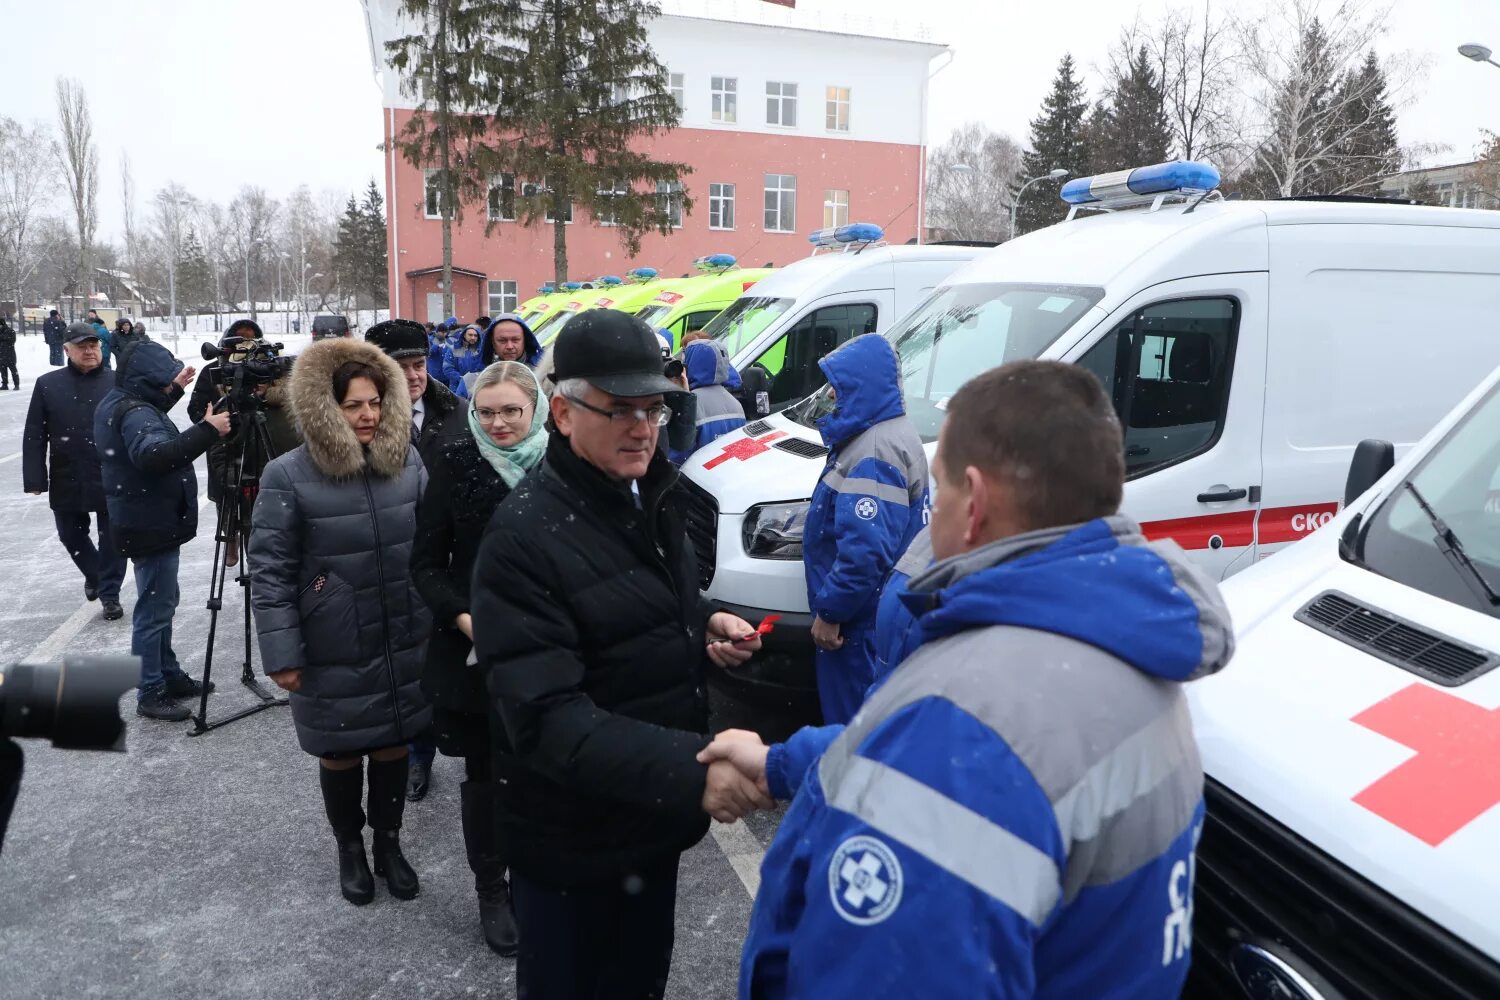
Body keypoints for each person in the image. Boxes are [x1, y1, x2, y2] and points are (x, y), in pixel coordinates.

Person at [710, 361, 1233, 998]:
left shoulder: (973, 715)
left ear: (974, 503)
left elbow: (952, 764)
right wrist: (780, 764)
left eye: (937, 490)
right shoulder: (1122, 649)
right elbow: (949, 764)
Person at [470, 309, 769, 1000]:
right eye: (621, 409)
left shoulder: (653, 490)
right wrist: (693, 773)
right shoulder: (522, 539)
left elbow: (630, 600)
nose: (642, 425)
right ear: (566, 413)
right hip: (571, 843)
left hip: (645, 824)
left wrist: (701, 625)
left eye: (654, 407)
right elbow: (543, 720)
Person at [248, 337, 431, 906]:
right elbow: (271, 570)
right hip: (333, 638)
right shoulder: (287, 474)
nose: (368, 414)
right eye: (353, 405)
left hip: (404, 630)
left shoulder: (408, 460)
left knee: (395, 744)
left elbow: (434, 545)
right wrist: (281, 651)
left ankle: (390, 845)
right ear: (326, 408)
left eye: (376, 401)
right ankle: (350, 849)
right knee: (343, 750)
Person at [411, 360, 548, 955]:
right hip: (477, 652)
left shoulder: (562, 462)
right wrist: (467, 619)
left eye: (511, 411)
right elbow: (424, 564)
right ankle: (492, 887)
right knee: (488, 775)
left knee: (550, 767)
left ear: (536, 409)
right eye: (486, 412)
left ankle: (541, 879)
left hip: (552, 648)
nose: (498, 423)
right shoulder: (457, 460)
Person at [94, 339, 231, 721]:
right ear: (148, 381)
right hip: (149, 523)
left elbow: (145, 420)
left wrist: (174, 390)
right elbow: (153, 453)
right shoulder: (136, 412)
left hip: (143, 519)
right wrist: (208, 430)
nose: (169, 385)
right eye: (165, 381)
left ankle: (166, 674)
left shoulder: (121, 400)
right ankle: (150, 689)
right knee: (155, 610)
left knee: (161, 602)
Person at [802, 334, 929, 724]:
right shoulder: (885, 434)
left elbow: (866, 552)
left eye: (838, 389)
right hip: (873, 615)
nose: (830, 398)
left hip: (859, 626)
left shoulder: (874, 450)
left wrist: (831, 611)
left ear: (861, 387)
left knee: (853, 728)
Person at [365, 318, 462, 800]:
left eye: (419, 364)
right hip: (385, 561)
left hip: (445, 562)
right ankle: (410, 756)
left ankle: (444, 750)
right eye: (400, 367)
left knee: (440, 663)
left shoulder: (458, 412)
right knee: (398, 672)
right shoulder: (359, 421)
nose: (413, 376)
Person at [23, 324, 127, 620]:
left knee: (113, 539)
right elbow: (34, 435)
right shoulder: (48, 384)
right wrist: (34, 478)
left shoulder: (118, 382)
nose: (89, 351)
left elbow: (139, 421)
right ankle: (95, 575)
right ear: (67, 349)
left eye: (93, 345)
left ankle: (109, 594)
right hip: (68, 472)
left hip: (112, 472)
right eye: (81, 346)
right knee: (71, 535)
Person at [187, 320, 301, 567]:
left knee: (260, 504)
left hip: (262, 442)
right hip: (227, 443)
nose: (245, 347)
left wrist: (264, 395)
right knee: (227, 493)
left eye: (250, 340)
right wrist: (214, 419)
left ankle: (259, 554)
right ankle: (229, 539)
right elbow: (195, 409)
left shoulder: (268, 367)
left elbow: (290, 399)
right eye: (239, 340)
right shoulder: (214, 372)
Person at [670, 339, 745, 465]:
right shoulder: (736, 405)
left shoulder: (689, 404)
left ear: (693, 363)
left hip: (692, 479)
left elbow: (677, 456)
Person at [457, 314, 542, 398]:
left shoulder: (541, 376)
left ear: (525, 341)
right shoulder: (471, 381)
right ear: (492, 343)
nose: (509, 346)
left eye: (515, 340)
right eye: (502, 340)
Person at [442, 324, 485, 394]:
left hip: (477, 389)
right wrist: (463, 379)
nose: (473, 337)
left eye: (475, 335)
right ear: (464, 335)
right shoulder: (453, 349)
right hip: (456, 388)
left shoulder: (481, 351)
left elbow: (485, 369)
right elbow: (447, 368)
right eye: (470, 335)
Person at [0, 317, 17, 390]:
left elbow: (11, 340)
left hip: (9, 354)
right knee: (3, 371)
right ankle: (4, 385)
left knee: (13, 370)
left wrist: (2, 337)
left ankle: (16, 384)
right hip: (1, 355)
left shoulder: (10, 331)